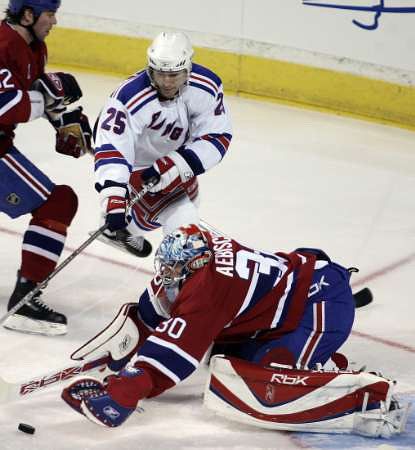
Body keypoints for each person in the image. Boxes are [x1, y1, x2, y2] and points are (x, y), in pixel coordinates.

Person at [61, 223, 396, 433]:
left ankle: (345, 378)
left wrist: (125, 390)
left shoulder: (210, 289)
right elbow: (157, 309)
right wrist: (127, 347)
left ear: (194, 265)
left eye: (176, 268)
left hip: (322, 305)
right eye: (168, 266)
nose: (169, 273)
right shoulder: (198, 253)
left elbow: (176, 351)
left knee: (265, 381)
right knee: (227, 364)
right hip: (295, 294)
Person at [93, 31, 232, 258]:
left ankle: (124, 229)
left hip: (173, 155)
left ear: (188, 69)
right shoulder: (128, 97)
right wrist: (114, 194)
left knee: (193, 199)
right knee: (183, 216)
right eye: (160, 74)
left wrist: (178, 163)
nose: (167, 82)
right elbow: (112, 148)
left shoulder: (206, 87)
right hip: (135, 164)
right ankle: (176, 277)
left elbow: (217, 136)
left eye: (175, 75)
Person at [0, 0, 92, 336]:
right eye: (49, 13)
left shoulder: (35, 48)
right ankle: (24, 304)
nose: (54, 20)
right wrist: (45, 97)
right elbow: (7, 105)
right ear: (27, 15)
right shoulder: (1, 45)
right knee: (58, 202)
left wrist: (65, 122)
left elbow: (37, 93)